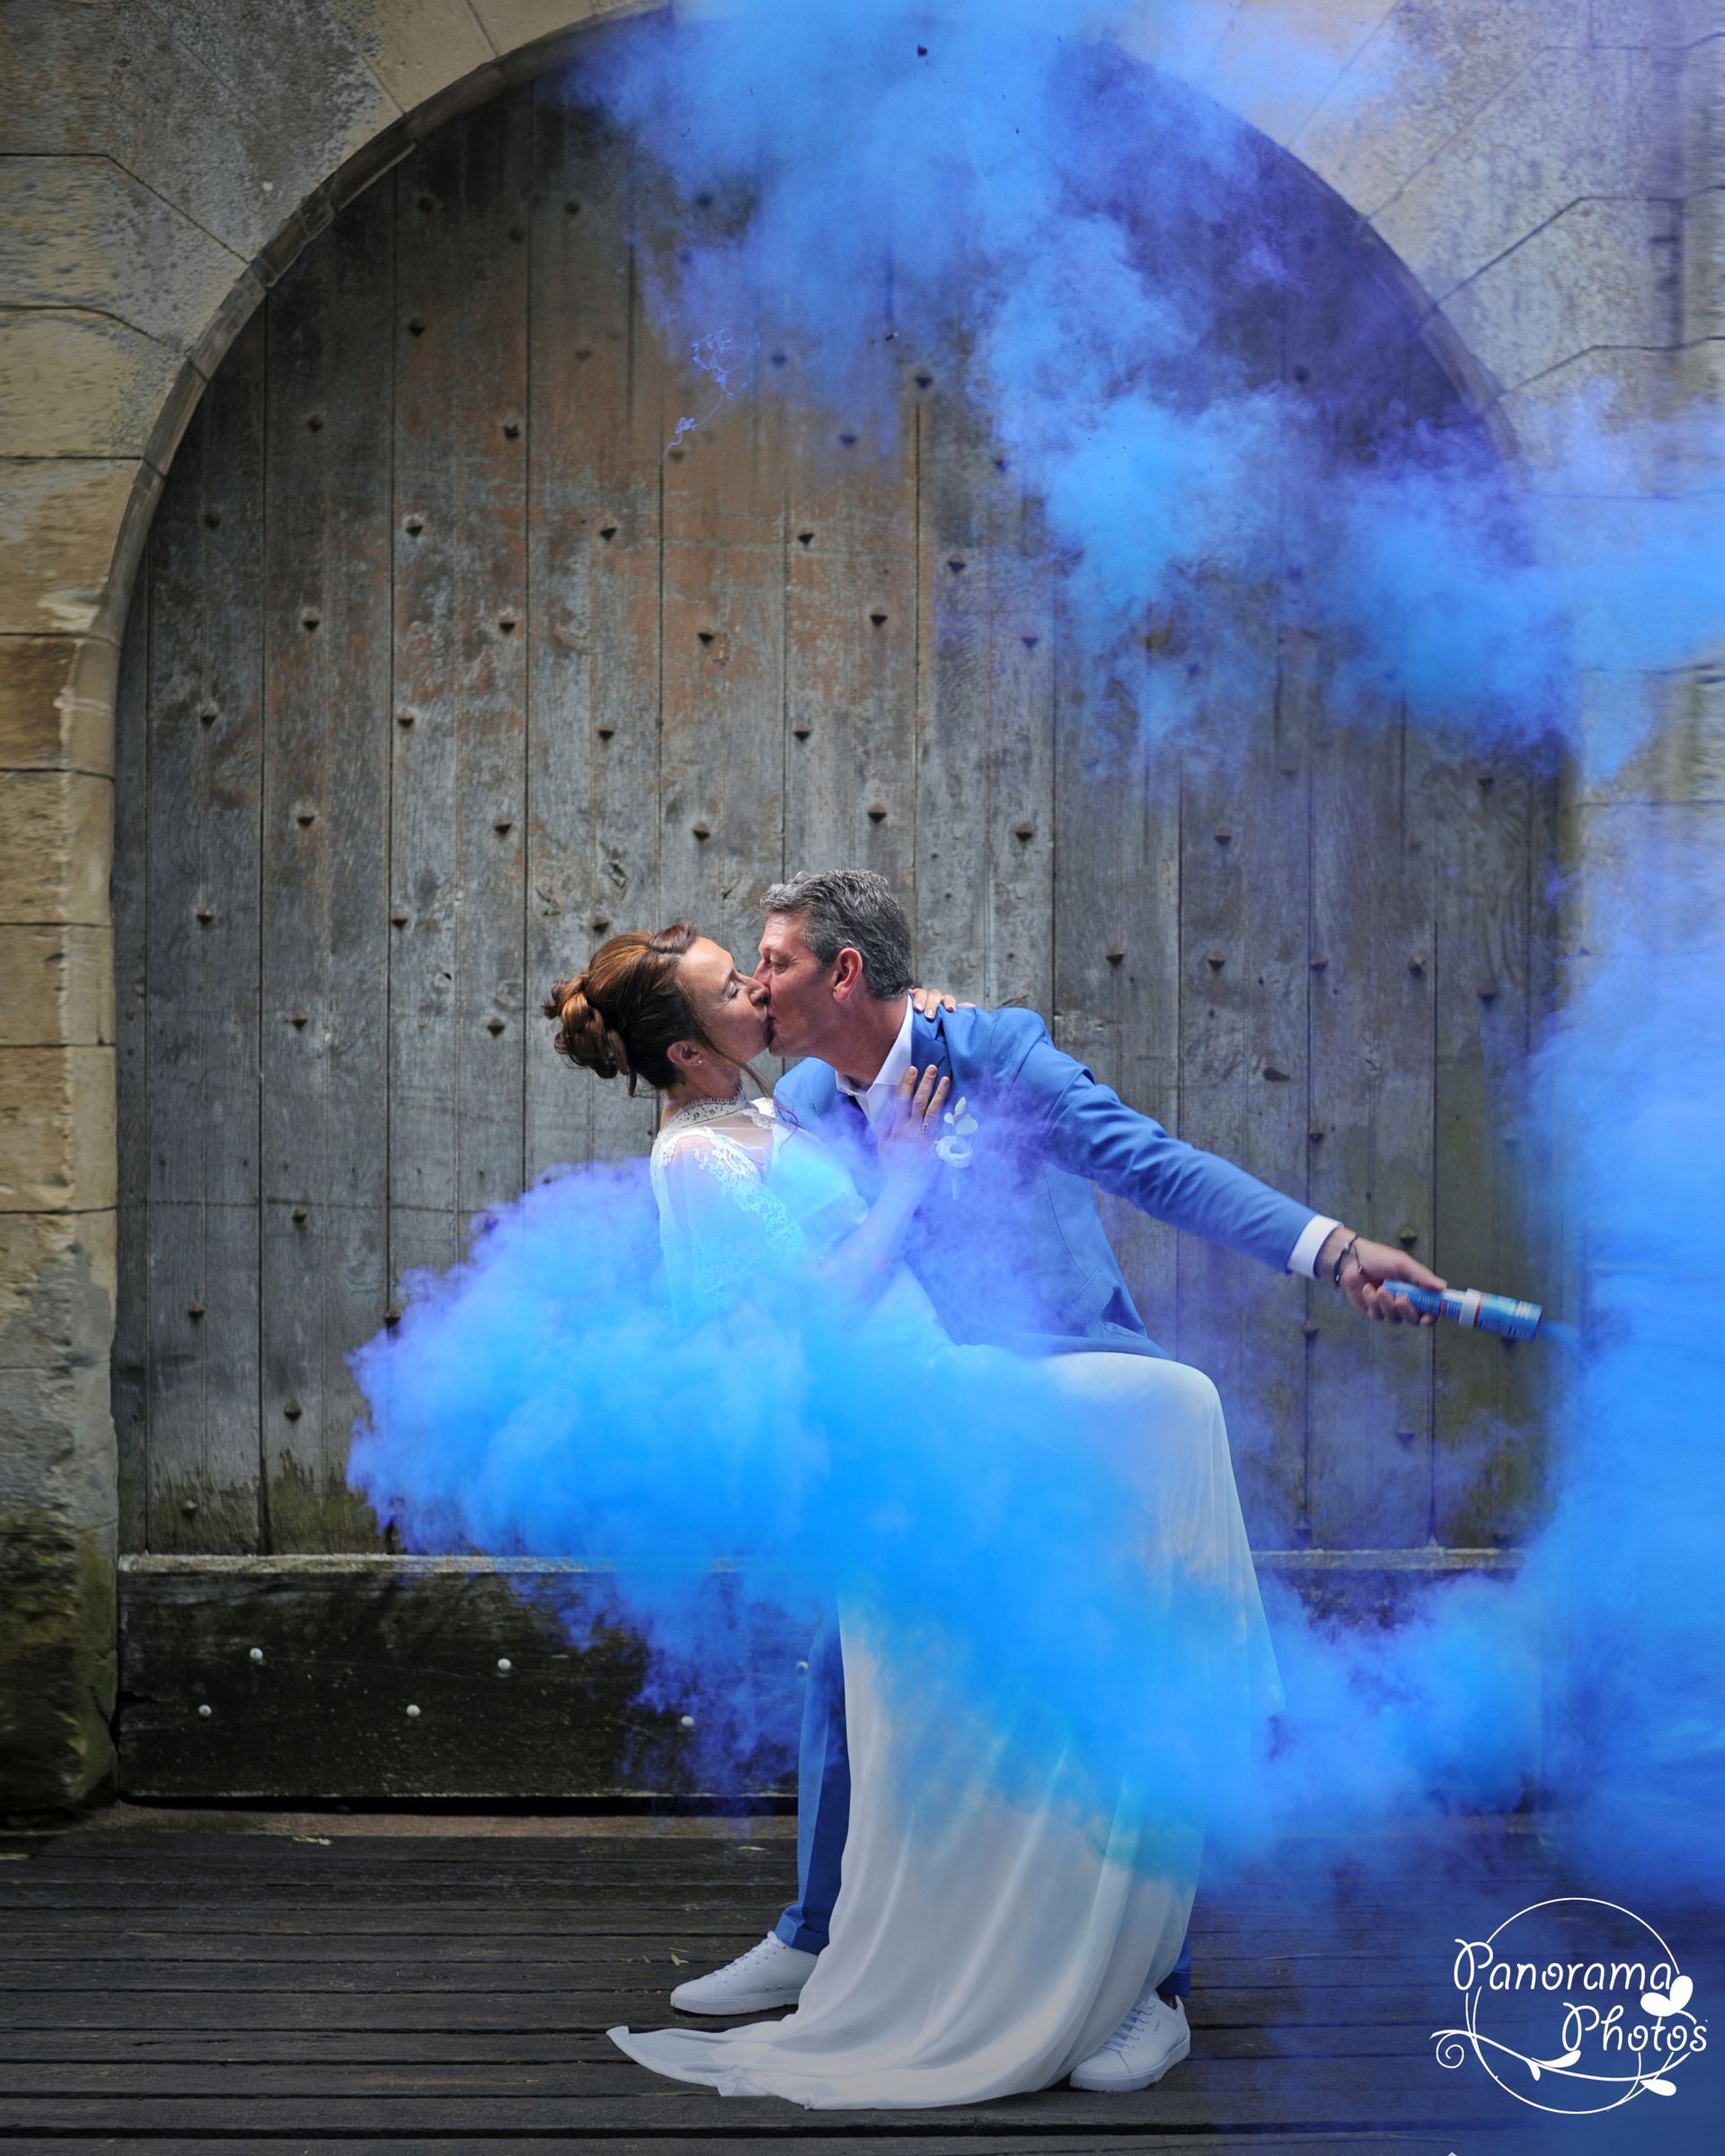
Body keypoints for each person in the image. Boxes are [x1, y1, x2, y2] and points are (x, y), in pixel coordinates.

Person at [539, 918, 1421, 2107]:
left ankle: (1150, 1983)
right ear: (697, 1058)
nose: (758, 989)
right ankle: (825, 1931)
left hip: (1040, 1377)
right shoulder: (778, 1104)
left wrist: (1334, 1249)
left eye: (766, 968)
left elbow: (1153, 1165)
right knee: (854, 1658)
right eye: (737, 985)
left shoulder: (968, 1052)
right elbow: (790, 1279)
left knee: (1142, 1543)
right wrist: (898, 1175)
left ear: (843, 976)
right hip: (915, 1406)